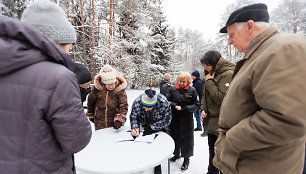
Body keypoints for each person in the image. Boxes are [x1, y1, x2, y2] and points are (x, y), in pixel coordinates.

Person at [0, 0, 92, 173]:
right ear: (56, 42)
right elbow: (77, 140)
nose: (68, 53)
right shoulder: (58, 77)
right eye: (68, 47)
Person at [213, 3, 306, 174]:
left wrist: (231, 139)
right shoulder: (262, 52)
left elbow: (288, 119)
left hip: (262, 166)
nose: (229, 41)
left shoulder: (283, 49)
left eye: (232, 35)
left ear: (250, 26)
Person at [200, 50, 234, 174]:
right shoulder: (212, 73)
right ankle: (211, 171)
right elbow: (205, 95)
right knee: (212, 152)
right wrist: (203, 109)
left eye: (207, 65)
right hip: (211, 120)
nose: (205, 68)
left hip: (222, 122)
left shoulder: (228, 74)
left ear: (215, 63)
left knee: (221, 155)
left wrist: (209, 81)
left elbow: (221, 98)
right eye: (204, 66)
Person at [130, 89, 172, 174]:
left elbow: (167, 119)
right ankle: (143, 162)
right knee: (142, 144)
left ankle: (157, 164)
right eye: (144, 106)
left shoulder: (163, 102)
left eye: (149, 107)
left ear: (155, 104)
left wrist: (153, 127)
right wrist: (135, 128)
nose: (146, 109)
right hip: (144, 125)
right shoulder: (137, 102)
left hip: (159, 126)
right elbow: (134, 117)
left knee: (157, 146)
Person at [167, 72, 200, 171]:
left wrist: (185, 108)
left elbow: (196, 104)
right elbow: (167, 100)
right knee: (175, 136)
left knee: (187, 139)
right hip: (175, 118)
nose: (181, 83)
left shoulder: (192, 90)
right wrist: (173, 105)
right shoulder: (172, 89)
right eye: (180, 81)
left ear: (188, 81)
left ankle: (186, 159)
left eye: (184, 82)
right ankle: (176, 154)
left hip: (187, 119)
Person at [87, 64, 128, 130]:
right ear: (103, 83)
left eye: (112, 84)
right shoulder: (97, 89)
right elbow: (91, 101)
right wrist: (91, 114)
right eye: (108, 84)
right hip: (99, 121)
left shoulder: (119, 90)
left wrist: (120, 119)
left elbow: (123, 105)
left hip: (114, 122)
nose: (111, 86)